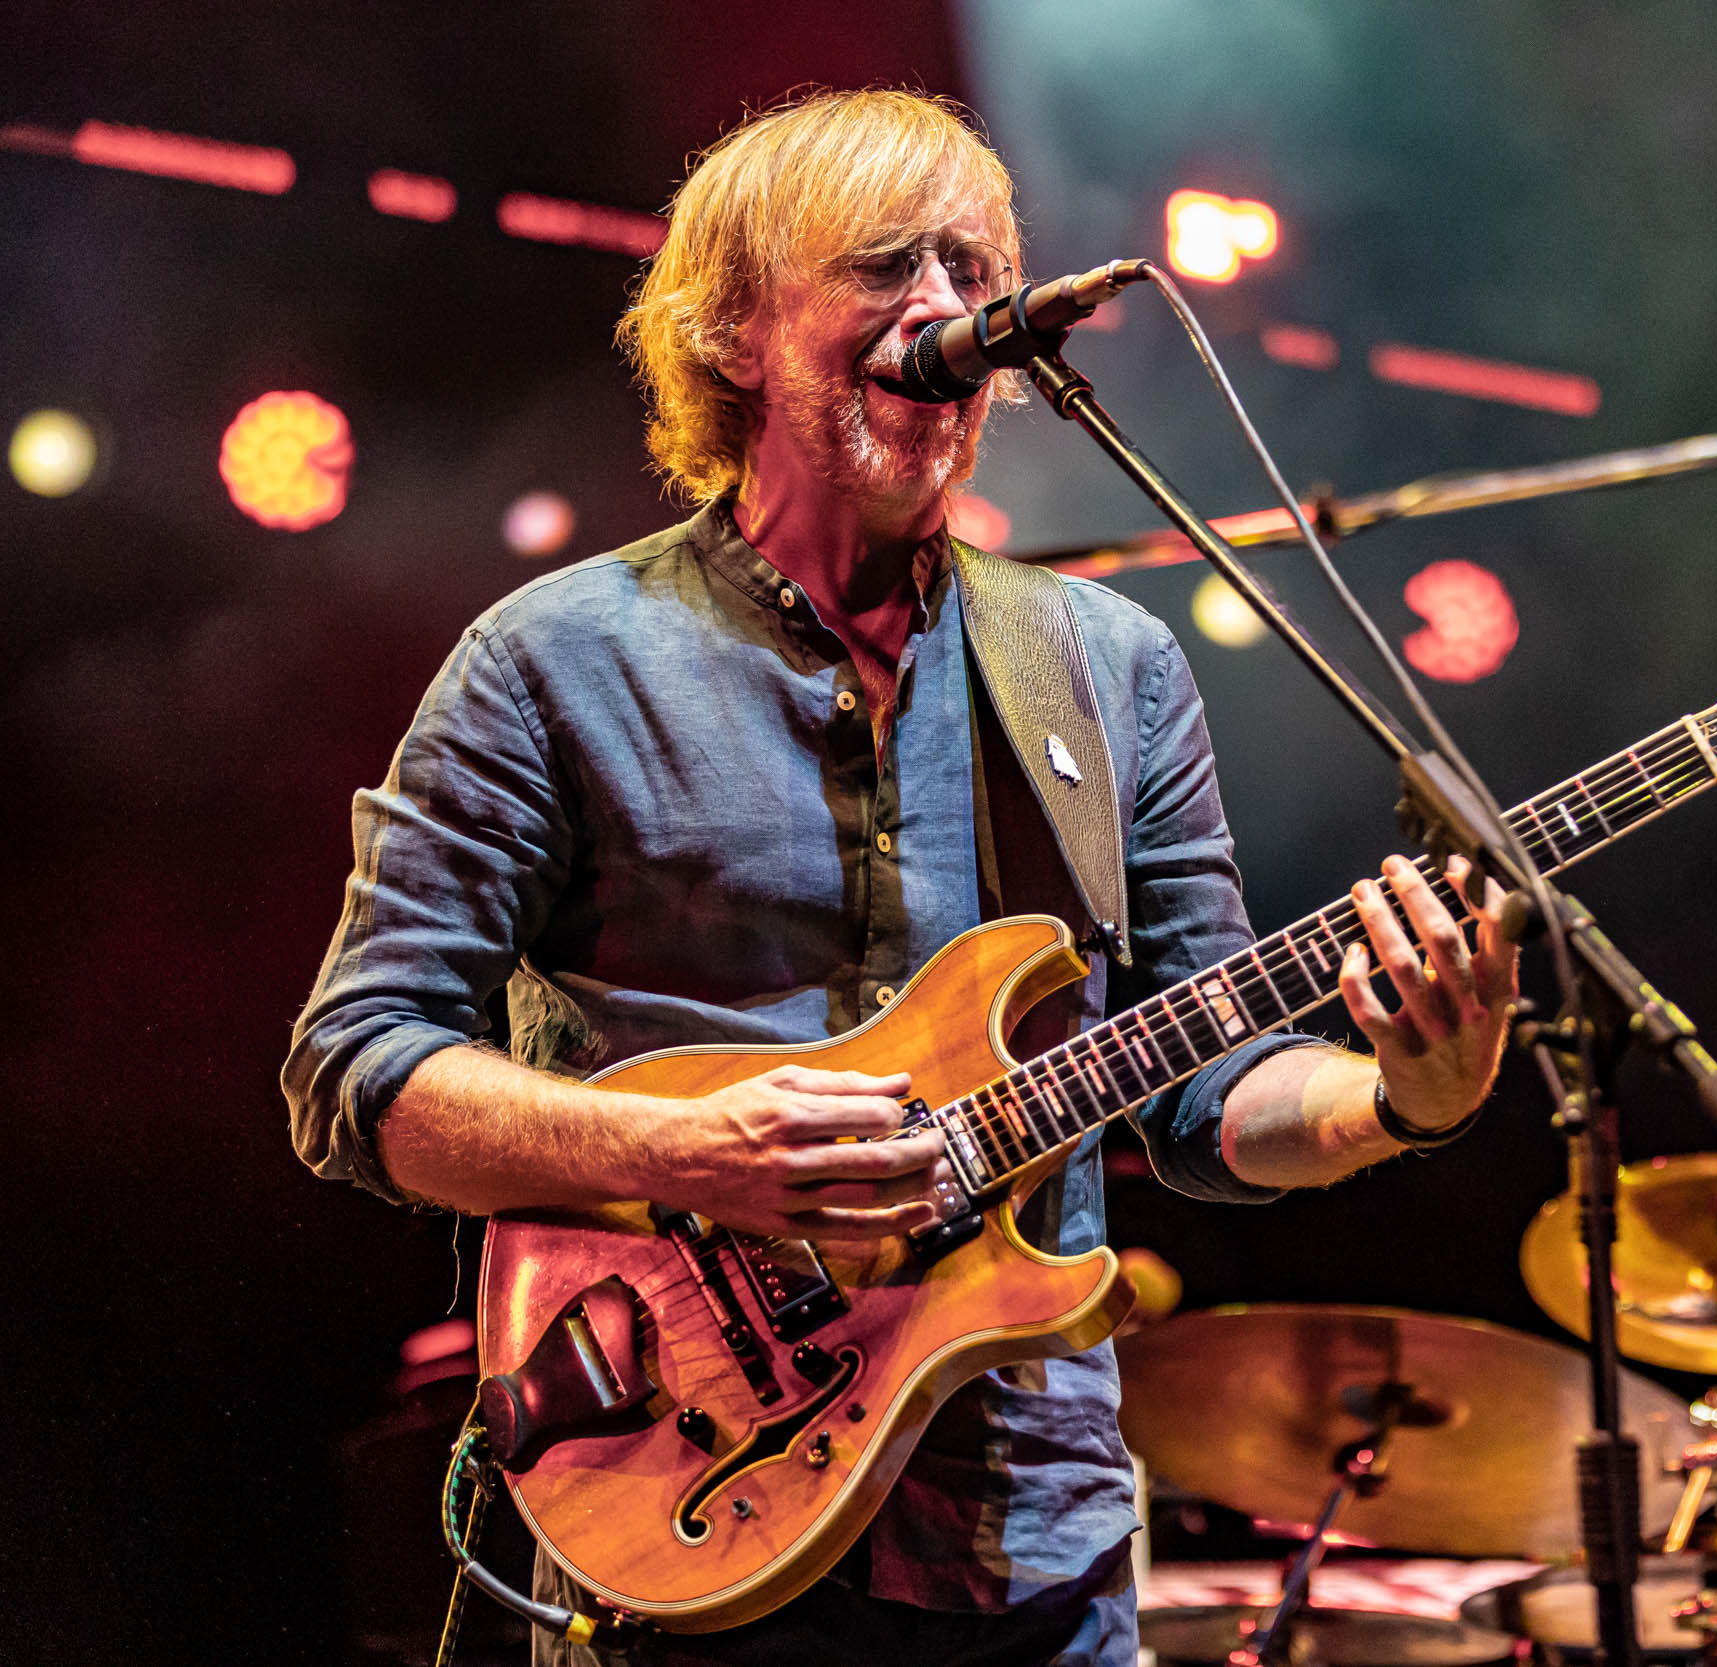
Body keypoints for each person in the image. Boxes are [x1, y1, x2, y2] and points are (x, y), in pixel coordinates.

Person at [282, 89, 1517, 1666]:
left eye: (972, 266)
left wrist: (1405, 1094)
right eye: (884, 263)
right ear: (732, 331)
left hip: (1037, 1553)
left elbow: (1204, 1102)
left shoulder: (1109, 666)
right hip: (688, 1517)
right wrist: (689, 1151)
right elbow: (353, 1073)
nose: (946, 305)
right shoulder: (553, 660)